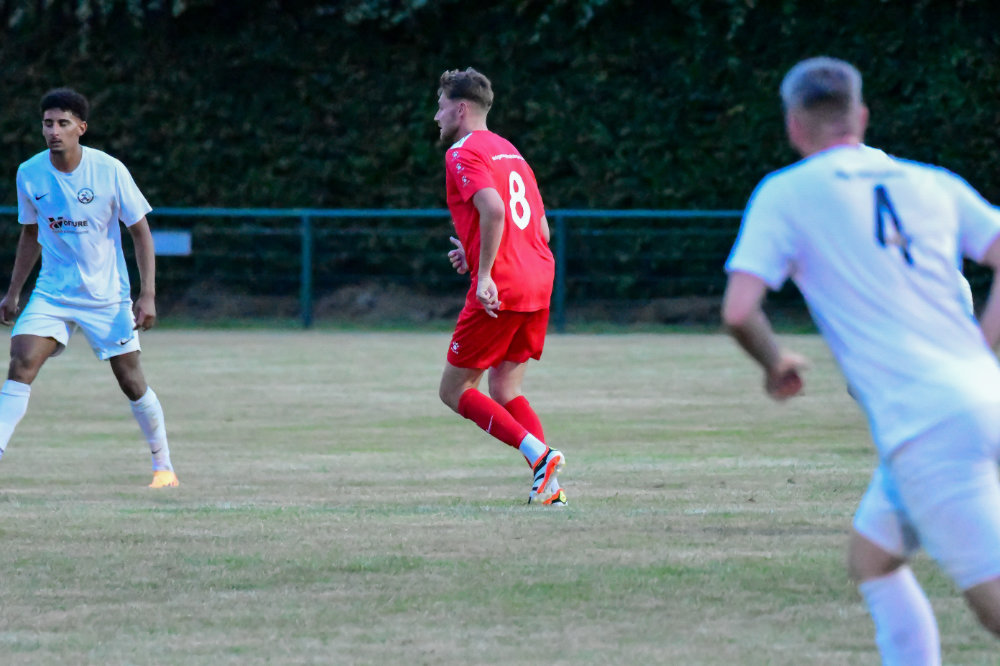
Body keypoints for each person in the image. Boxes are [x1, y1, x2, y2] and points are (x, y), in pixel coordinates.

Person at [722, 57, 1000, 663]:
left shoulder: (786, 193)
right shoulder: (931, 182)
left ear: (794, 124)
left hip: (925, 424)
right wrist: (982, 350)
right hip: (984, 395)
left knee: (993, 606)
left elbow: (739, 311)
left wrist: (775, 363)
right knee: (873, 560)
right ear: (862, 116)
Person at [0, 87, 178, 488]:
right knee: (21, 361)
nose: (54, 131)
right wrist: (13, 292)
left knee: (131, 381)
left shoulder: (109, 170)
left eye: (63, 123)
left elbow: (140, 232)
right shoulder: (30, 172)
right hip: (52, 292)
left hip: (106, 295)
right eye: (48, 123)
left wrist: (147, 294)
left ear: (81, 127)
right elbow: (30, 233)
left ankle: (163, 466)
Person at [434, 68, 565, 505]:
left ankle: (540, 455)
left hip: (503, 286)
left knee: (454, 390)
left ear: (460, 108)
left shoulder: (462, 151)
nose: (436, 116)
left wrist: (486, 272)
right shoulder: (512, 153)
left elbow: (493, 210)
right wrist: (475, 254)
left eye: (440, 106)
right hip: (539, 280)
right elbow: (541, 230)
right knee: (506, 388)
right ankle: (549, 486)